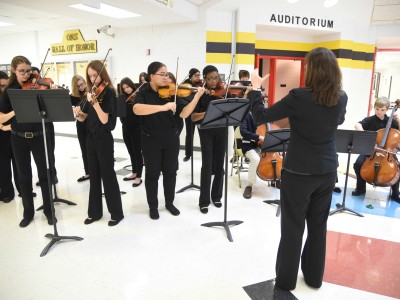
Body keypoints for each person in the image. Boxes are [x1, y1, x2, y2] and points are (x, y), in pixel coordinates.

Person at [249, 47, 347, 290]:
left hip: (298, 171)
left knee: (293, 227)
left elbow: (261, 115)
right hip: (326, 171)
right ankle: (314, 278)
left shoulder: (299, 96)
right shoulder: (341, 97)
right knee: (318, 226)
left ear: (312, 70)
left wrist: (255, 90)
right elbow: (340, 120)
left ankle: (286, 281)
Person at [133, 61, 203, 220]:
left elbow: (184, 114)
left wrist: (197, 96)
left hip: (171, 138)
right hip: (150, 139)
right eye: (162, 74)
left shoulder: (172, 92)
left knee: (171, 173)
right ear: (152, 76)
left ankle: (169, 203)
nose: (166, 78)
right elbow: (137, 109)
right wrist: (163, 107)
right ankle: (153, 206)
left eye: (167, 74)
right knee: (152, 174)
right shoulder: (143, 91)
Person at [0, 56, 59, 227]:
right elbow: (2, 118)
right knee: (24, 177)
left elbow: (50, 110)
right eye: (22, 71)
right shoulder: (9, 91)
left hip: (40, 135)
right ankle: (28, 213)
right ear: (13, 70)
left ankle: (49, 211)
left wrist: (52, 92)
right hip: (18, 137)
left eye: (28, 70)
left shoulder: (38, 86)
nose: (27, 74)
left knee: (45, 175)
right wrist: (16, 110)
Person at [73, 60, 124, 226]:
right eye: (90, 76)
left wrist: (94, 102)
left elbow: (104, 120)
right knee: (93, 175)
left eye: (95, 75)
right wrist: (76, 112)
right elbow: (84, 117)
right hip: (90, 137)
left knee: (107, 175)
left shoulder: (109, 92)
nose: (93, 79)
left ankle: (116, 213)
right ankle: (95, 213)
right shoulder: (91, 91)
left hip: (103, 138)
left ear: (102, 74)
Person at [191, 65, 227, 214]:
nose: (214, 81)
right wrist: (208, 113)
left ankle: (217, 196)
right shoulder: (200, 94)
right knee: (207, 166)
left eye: (216, 78)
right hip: (206, 131)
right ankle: (204, 201)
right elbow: (193, 117)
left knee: (220, 165)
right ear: (204, 78)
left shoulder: (223, 92)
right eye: (210, 78)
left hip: (222, 130)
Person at [352, 96, 400, 203]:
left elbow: (398, 135)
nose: (379, 112)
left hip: (388, 154)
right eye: (377, 109)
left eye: (382, 110)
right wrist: (364, 134)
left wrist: (398, 121)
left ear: (387, 109)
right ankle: (361, 188)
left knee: (398, 168)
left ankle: (395, 193)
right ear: (374, 108)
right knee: (358, 164)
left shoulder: (392, 122)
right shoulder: (370, 120)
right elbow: (357, 125)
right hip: (371, 152)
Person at [119, 77, 143, 187]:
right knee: (131, 152)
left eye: (128, 87)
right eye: (124, 88)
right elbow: (120, 115)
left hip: (137, 128)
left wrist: (137, 95)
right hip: (125, 128)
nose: (127, 90)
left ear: (132, 86)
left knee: (137, 152)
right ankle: (134, 172)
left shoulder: (138, 97)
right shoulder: (122, 98)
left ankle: (139, 176)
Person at [70, 74, 90, 182]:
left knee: (94, 149)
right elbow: (72, 113)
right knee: (84, 149)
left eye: (82, 84)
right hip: (81, 125)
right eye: (78, 86)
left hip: (92, 124)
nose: (81, 87)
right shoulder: (72, 97)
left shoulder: (90, 93)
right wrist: (74, 110)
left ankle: (97, 171)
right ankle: (88, 173)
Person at [239, 112, 262, 199]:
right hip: (248, 145)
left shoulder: (261, 116)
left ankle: (274, 178)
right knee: (255, 159)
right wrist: (258, 137)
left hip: (261, 145)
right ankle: (249, 186)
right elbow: (243, 132)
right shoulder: (245, 116)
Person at [182, 68, 201, 162]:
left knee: (202, 132)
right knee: (189, 133)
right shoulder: (185, 85)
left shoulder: (201, 84)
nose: (198, 78)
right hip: (189, 112)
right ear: (191, 76)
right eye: (196, 76)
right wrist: (193, 94)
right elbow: (183, 97)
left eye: (199, 75)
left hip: (199, 111)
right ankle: (188, 154)